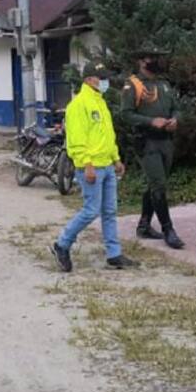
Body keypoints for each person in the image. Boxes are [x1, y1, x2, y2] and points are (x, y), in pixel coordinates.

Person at [49, 62, 137, 272]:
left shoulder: (100, 102)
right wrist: (86, 163)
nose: (104, 81)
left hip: (106, 165)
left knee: (109, 211)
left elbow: (107, 136)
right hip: (91, 167)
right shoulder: (78, 105)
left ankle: (114, 254)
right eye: (101, 77)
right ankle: (61, 244)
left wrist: (116, 159)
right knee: (91, 211)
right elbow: (76, 140)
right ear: (89, 80)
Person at [120, 45, 185, 249]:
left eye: (158, 57)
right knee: (159, 184)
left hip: (166, 140)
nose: (156, 61)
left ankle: (144, 225)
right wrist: (150, 121)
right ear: (141, 61)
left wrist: (175, 119)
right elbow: (126, 114)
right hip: (147, 142)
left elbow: (177, 108)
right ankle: (168, 229)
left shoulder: (164, 84)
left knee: (155, 183)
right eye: (151, 58)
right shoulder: (133, 85)